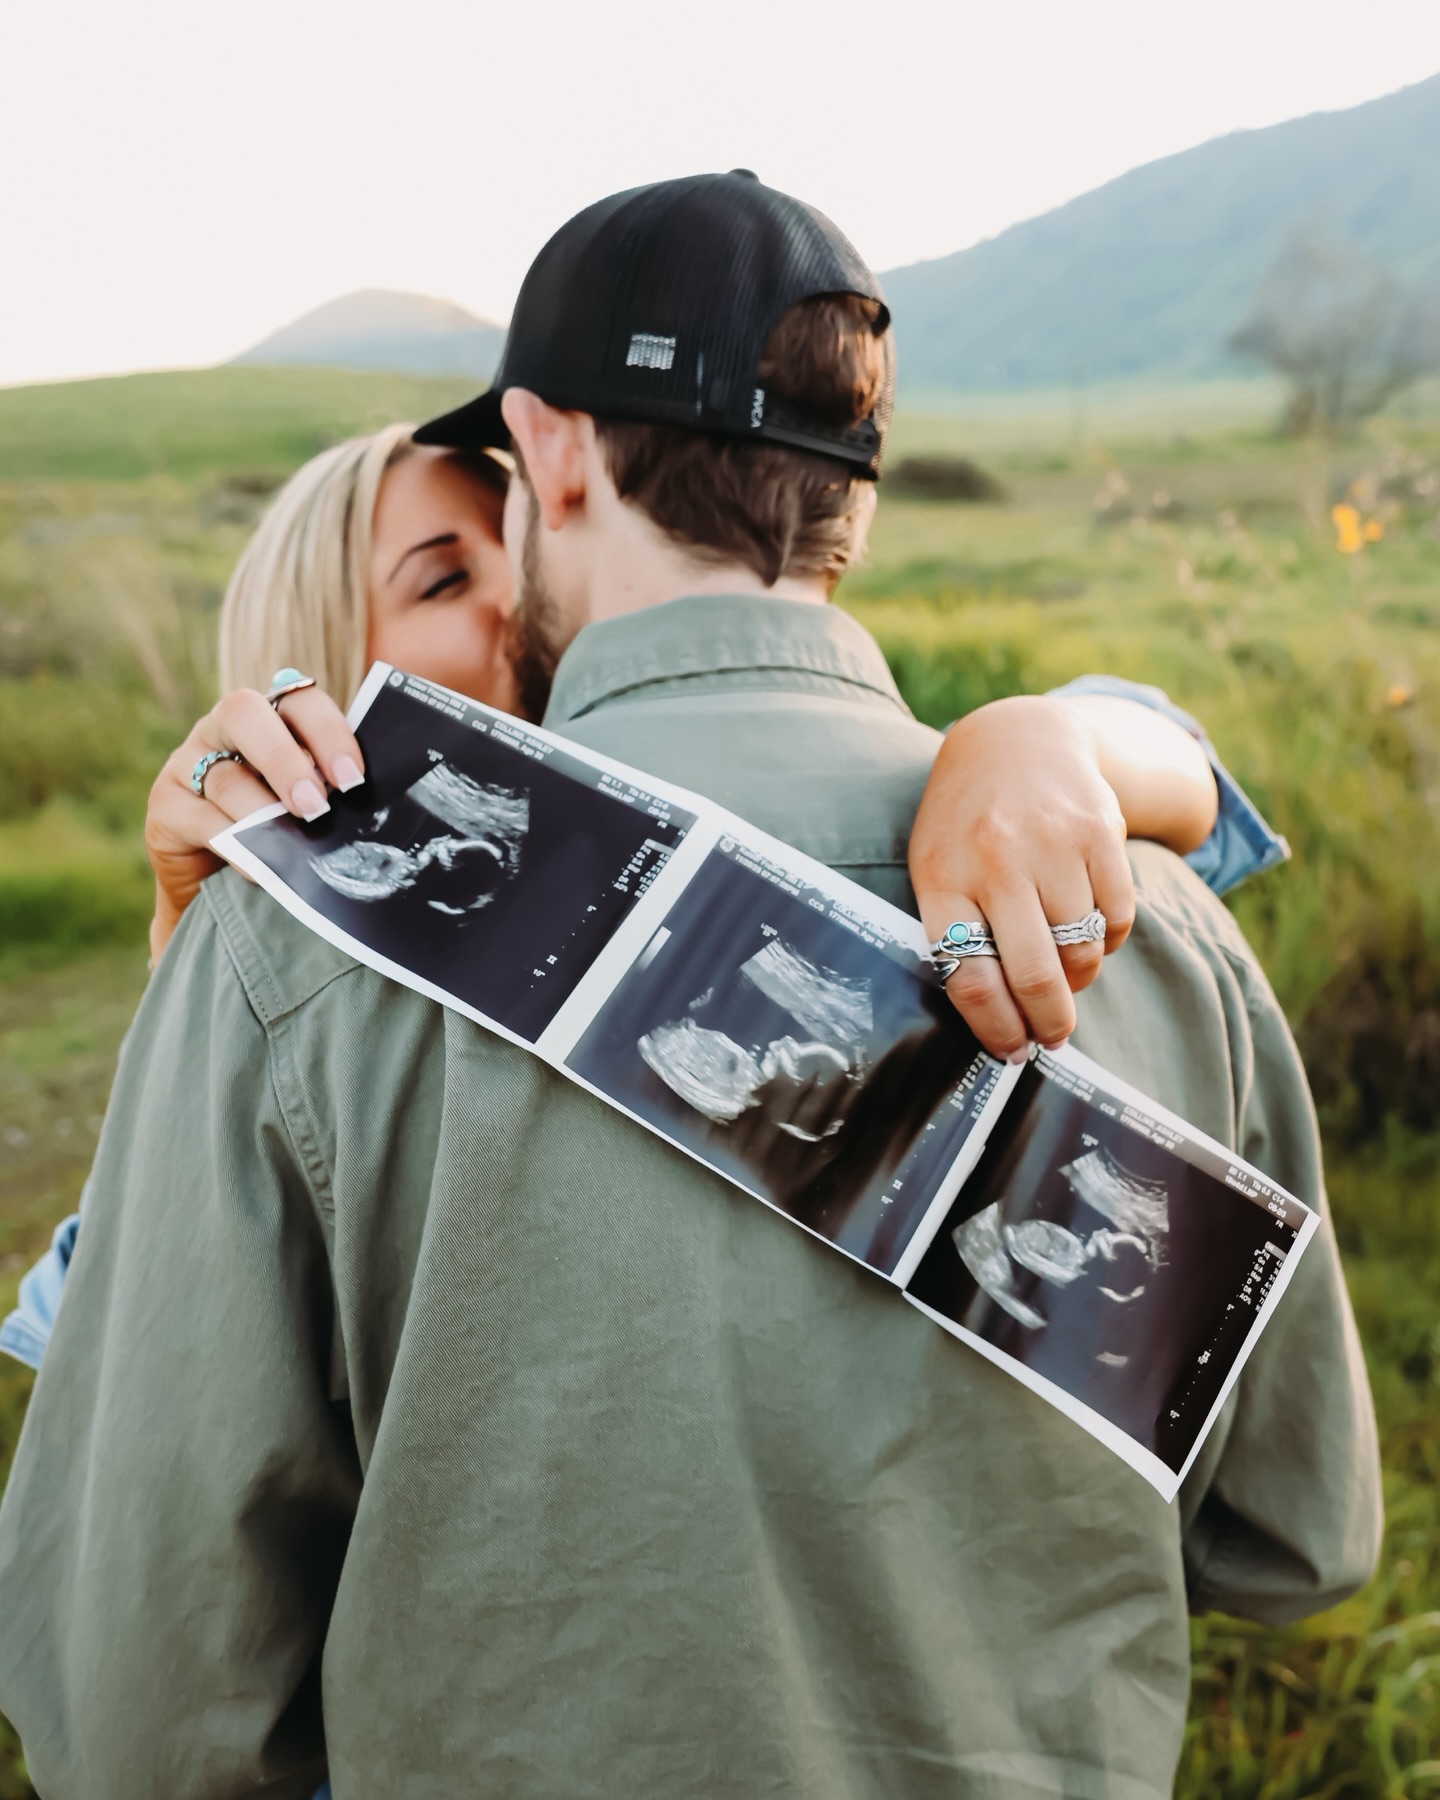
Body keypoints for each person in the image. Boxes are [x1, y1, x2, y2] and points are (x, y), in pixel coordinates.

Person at [0, 174, 1378, 1799]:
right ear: (847, 500)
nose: (505, 579)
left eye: (496, 507)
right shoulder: (1122, 907)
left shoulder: (297, 958)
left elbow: (140, 1713)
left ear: (557, 451)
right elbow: (1298, 1534)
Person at [2, 405, 1278, 1371]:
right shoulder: (335, 990)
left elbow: (1203, 814)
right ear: (323, 679)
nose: (518, 592)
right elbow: (87, 1339)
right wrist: (195, 956)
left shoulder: (719, 847)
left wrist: (1042, 737)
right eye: (442, 579)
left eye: (513, 536)